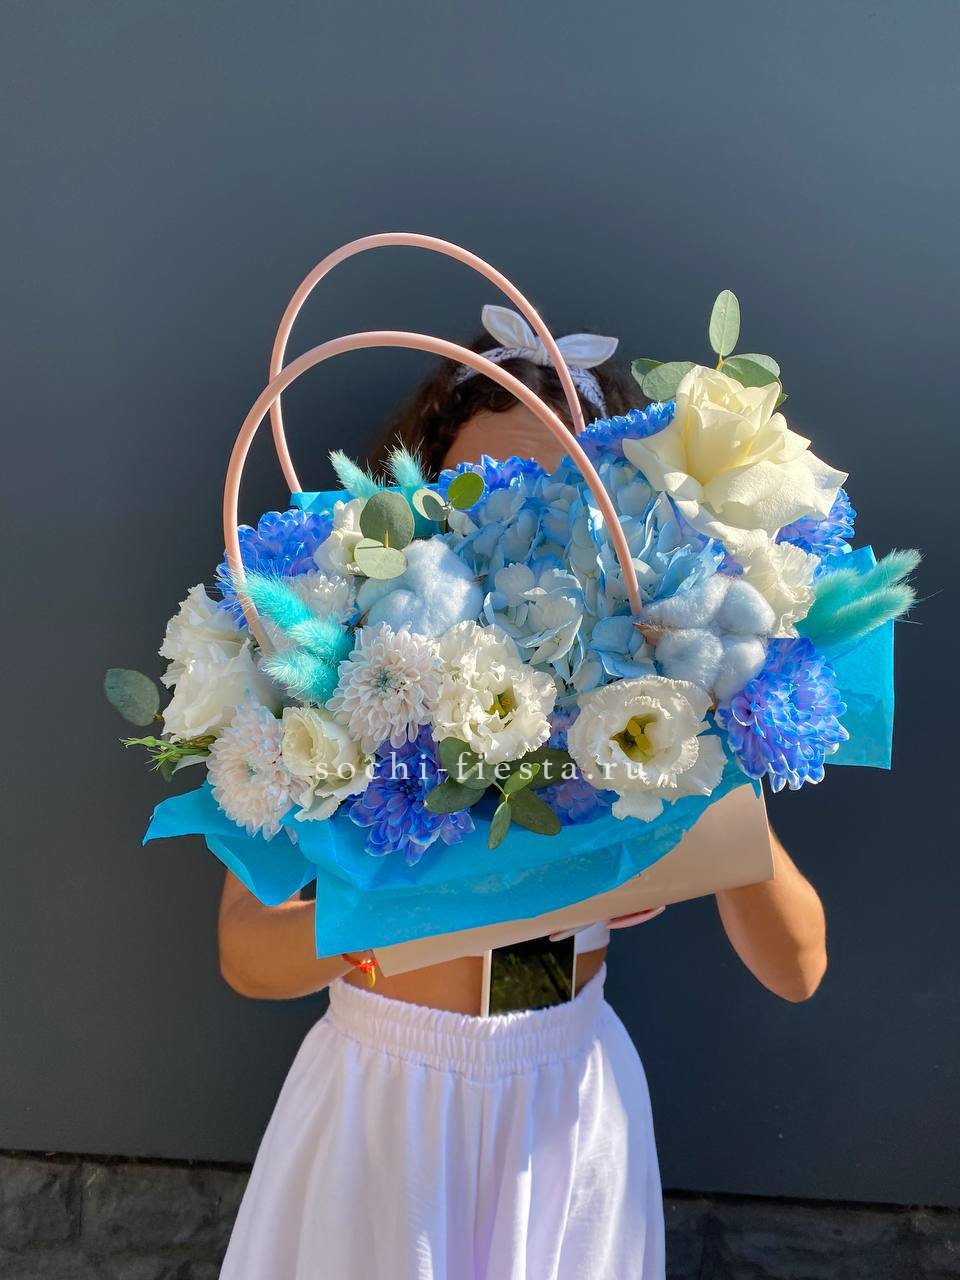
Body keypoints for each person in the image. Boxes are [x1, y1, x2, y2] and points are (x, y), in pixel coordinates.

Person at [217, 310, 828, 1280]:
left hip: (567, 1106)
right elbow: (248, 954)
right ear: (418, 496)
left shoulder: (646, 695)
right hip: (386, 1105)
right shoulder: (345, 673)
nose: (517, 521)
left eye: (554, 489)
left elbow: (798, 967)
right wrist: (424, 920)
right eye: (481, 486)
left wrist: (722, 766)